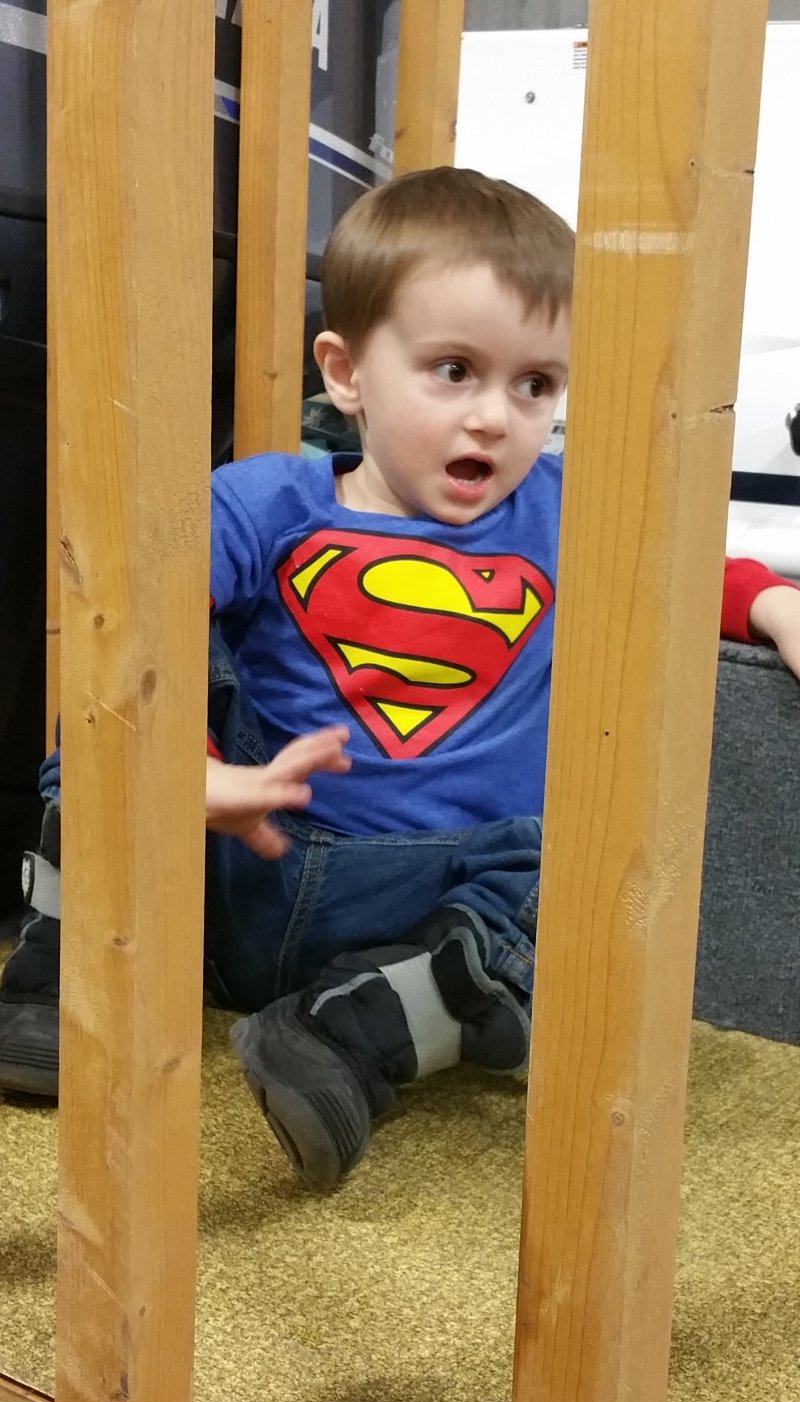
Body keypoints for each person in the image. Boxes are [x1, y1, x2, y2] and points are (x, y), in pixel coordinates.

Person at [2, 169, 799, 1191]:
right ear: (346, 373)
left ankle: (347, 1037)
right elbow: (135, 621)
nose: (495, 418)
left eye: (535, 385)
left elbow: (682, 567)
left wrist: (771, 603)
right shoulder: (268, 500)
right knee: (101, 734)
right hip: (230, 862)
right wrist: (181, 768)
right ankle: (62, 981)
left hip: (425, 903)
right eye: (453, 371)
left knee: (589, 872)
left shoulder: (566, 510)